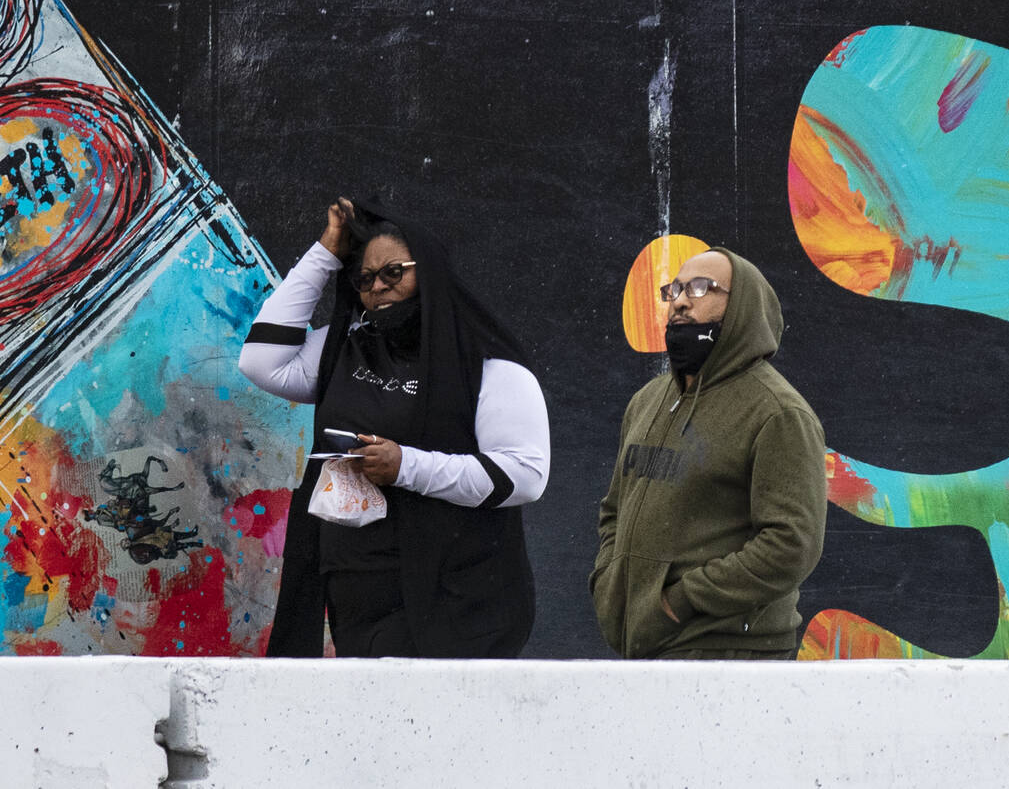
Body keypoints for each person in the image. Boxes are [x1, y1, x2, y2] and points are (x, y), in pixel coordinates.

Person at [239, 197, 549, 658]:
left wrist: (406, 466)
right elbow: (261, 360)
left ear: (430, 271)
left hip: (455, 599)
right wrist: (326, 251)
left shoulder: (484, 365)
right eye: (363, 278)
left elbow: (524, 476)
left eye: (393, 272)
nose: (377, 286)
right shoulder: (346, 347)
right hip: (358, 591)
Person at [591, 247, 826, 659]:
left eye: (702, 289)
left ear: (741, 308)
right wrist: (610, 581)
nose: (680, 301)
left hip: (730, 653)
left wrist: (679, 603)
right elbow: (615, 510)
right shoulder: (647, 401)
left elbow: (791, 545)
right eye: (675, 289)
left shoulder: (778, 413)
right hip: (644, 648)